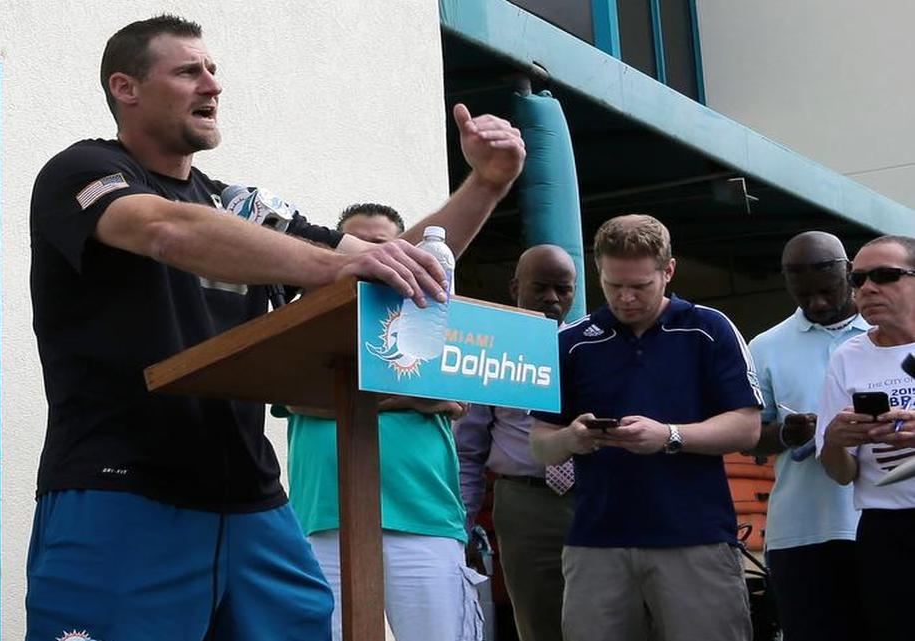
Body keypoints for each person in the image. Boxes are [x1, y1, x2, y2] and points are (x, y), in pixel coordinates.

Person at [25, 14, 526, 641]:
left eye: (213, 70)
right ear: (125, 87)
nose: (213, 85)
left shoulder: (242, 205)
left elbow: (395, 263)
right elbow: (164, 228)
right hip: (122, 487)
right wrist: (334, 266)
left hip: (252, 501)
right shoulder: (82, 169)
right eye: (188, 71)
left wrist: (486, 184)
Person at [529, 214, 761, 641]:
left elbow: (747, 428)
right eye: (613, 284)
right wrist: (571, 438)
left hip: (695, 537)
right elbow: (540, 445)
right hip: (596, 541)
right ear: (597, 271)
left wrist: (669, 436)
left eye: (640, 286)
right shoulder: (571, 342)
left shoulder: (708, 329)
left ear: (668, 271)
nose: (626, 297)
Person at [283, 203, 482, 641]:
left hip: (424, 516)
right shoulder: (306, 314)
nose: (373, 255)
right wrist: (415, 397)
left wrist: (351, 394)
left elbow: (457, 396)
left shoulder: (435, 316)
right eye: (357, 244)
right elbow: (298, 397)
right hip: (326, 519)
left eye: (383, 244)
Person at [745, 231, 866, 641]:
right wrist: (785, 433)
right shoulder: (765, 346)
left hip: (879, 524)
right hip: (800, 530)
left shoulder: (888, 335)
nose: (817, 304)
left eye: (827, 291)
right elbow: (748, 435)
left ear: (849, 272)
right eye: (803, 296)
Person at [456, 244, 577, 641]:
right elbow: (469, 450)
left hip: (592, 497)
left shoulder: (589, 348)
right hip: (525, 506)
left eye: (563, 289)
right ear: (515, 288)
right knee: (537, 620)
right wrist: (463, 523)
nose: (552, 298)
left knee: (604, 617)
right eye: (540, 287)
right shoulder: (492, 351)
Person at [816, 234, 915, 641]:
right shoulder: (848, 356)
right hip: (886, 529)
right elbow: (841, 473)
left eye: (885, 275)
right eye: (858, 279)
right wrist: (835, 440)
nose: (868, 288)